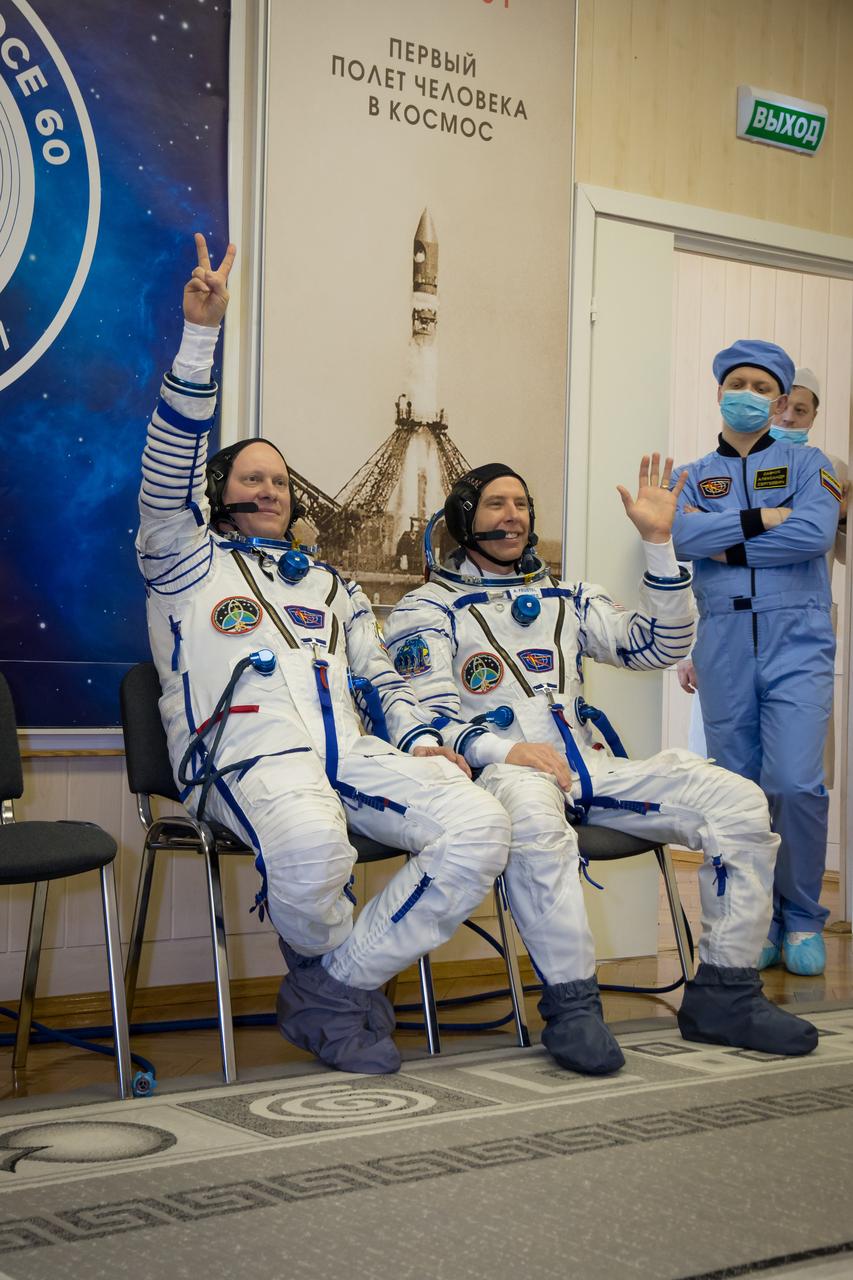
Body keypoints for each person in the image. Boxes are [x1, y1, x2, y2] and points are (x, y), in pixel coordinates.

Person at [136, 234, 511, 1075]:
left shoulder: (328, 584)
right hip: (245, 758)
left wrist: (423, 742)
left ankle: (333, 985)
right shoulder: (183, 562)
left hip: (345, 752)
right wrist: (200, 338)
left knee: (480, 824)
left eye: (279, 481)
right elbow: (164, 477)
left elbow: (379, 676)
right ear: (217, 494)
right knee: (313, 849)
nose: (270, 490)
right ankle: (340, 993)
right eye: (251, 479)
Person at [384, 459, 819, 1073]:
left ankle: (727, 993)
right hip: (501, 774)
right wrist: (504, 750)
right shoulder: (425, 609)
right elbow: (425, 718)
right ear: (463, 517)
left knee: (737, 800)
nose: (513, 516)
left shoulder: (568, 596)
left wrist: (659, 544)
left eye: (521, 504)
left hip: (586, 766)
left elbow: (659, 646)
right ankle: (574, 1008)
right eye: (496, 504)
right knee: (535, 823)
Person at [672, 340, 842, 979]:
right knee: (737, 790)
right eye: (737, 383)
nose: (748, 394)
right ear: (719, 392)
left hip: (797, 636)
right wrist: (765, 518)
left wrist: (725, 542)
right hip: (722, 641)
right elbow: (682, 537)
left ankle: (801, 915)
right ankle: (755, 918)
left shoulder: (809, 464)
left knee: (794, 783)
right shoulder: (691, 475)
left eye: (762, 387)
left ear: (779, 401)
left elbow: (813, 534)